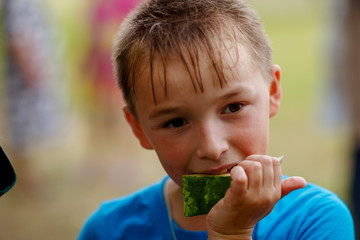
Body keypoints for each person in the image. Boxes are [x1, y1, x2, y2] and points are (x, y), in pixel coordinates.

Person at [78, 0, 355, 239]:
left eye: (233, 107)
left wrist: (232, 233)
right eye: (176, 122)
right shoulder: (106, 231)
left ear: (272, 92)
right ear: (138, 128)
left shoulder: (315, 220)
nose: (212, 147)